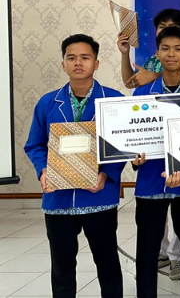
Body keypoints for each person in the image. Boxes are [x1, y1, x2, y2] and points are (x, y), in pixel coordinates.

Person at [24, 34, 125, 298]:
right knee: (62, 268)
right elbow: (34, 145)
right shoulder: (48, 103)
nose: (78, 63)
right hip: (58, 199)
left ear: (97, 63)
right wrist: (43, 170)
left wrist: (106, 174)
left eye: (85, 57)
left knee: (107, 264)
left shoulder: (113, 101)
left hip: (98, 196)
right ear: (63, 64)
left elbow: (122, 147)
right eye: (71, 57)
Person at [131, 27, 180, 298]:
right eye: (165, 48)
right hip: (150, 181)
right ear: (157, 53)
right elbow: (133, 137)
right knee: (148, 249)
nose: (171, 54)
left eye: (178, 49)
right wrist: (134, 158)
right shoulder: (142, 95)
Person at [118, 8, 180, 89]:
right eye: (162, 26)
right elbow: (131, 83)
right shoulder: (152, 59)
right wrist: (125, 53)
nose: (166, 30)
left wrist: (153, 76)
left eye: (172, 27)